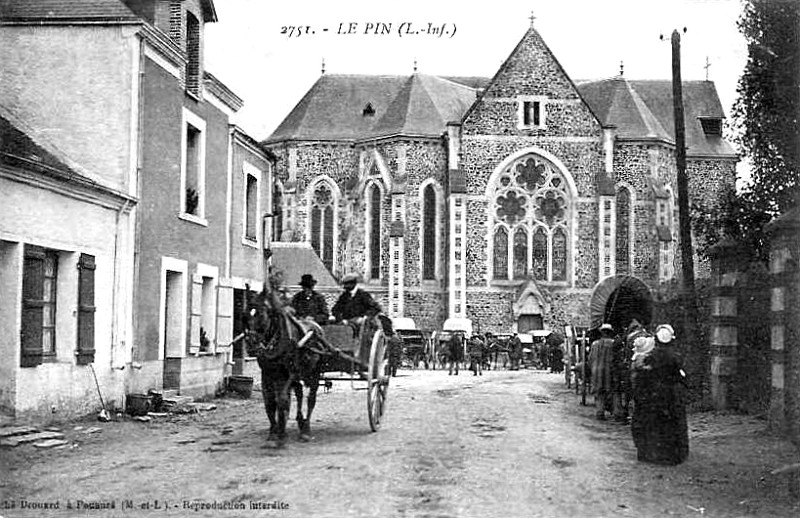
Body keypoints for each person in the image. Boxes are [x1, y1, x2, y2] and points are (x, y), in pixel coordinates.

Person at [630, 323, 689, 465]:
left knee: (653, 423)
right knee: (673, 423)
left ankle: (651, 453)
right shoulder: (676, 356)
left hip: (653, 394)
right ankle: (673, 455)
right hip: (671, 395)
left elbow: (643, 376)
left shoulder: (651, 356)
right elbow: (682, 376)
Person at [589, 323, 616, 421]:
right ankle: (615, 412)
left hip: (596, 370)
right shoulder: (613, 343)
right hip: (609, 370)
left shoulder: (594, 344)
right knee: (611, 391)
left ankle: (600, 412)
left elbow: (590, 358)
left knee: (599, 392)